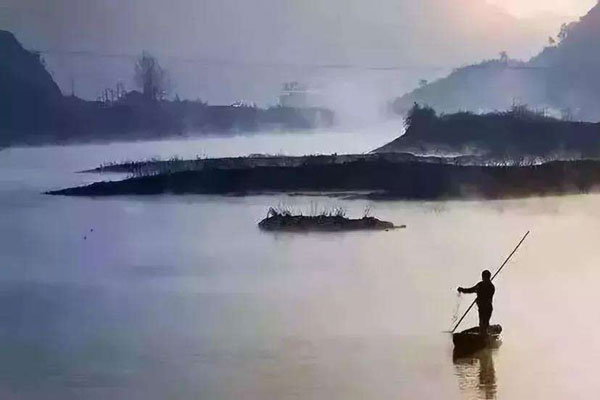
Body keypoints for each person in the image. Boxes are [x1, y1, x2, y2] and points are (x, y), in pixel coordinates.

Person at [458, 270, 495, 334]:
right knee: (481, 323)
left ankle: (485, 338)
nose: (484, 278)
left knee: (485, 323)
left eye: (485, 277)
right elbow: (471, 290)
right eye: (483, 277)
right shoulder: (480, 285)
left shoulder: (491, 287)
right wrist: (462, 290)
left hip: (487, 308)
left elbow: (488, 297)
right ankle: (482, 335)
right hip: (481, 308)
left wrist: (480, 296)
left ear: (488, 277)